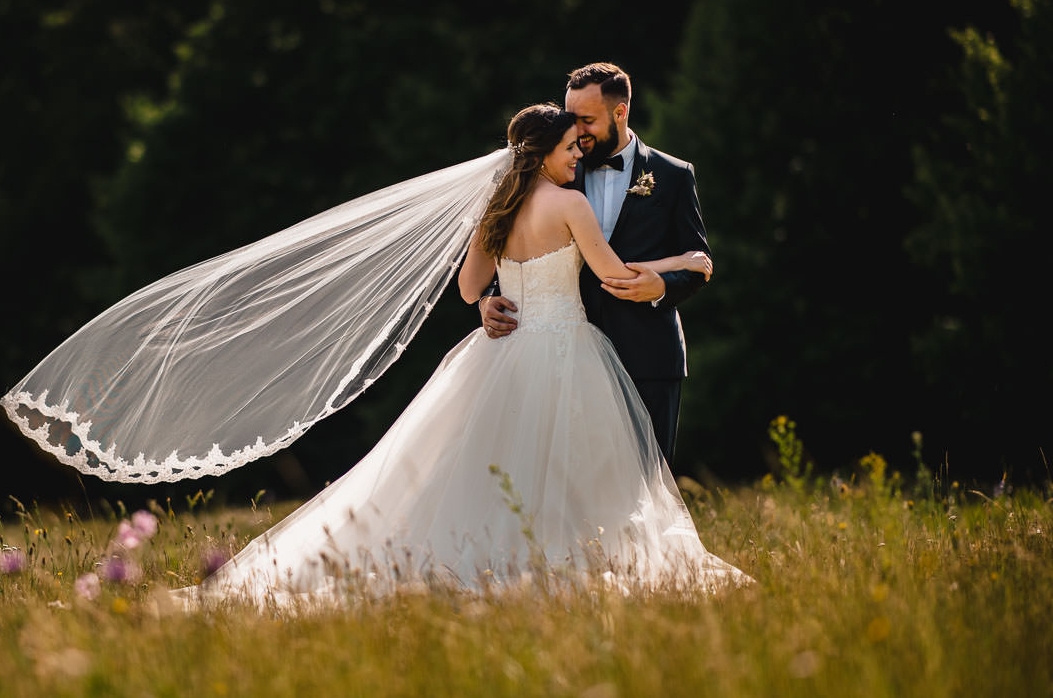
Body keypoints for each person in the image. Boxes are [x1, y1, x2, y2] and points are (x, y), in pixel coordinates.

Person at [174, 104, 747, 606]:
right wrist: (685, 265)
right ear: (545, 151)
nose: (578, 156)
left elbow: (472, 289)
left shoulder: (496, 208)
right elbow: (614, 276)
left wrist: (504, 295)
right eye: (570, 147)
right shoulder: (571, 204)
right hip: (564, 349)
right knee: (568, 470)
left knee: (483, 465)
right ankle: (559, 563)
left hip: (503, 351)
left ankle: (492, 557)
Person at [481, 63, 708, 466]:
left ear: (620, 113)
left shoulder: (673, 176)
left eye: (586, 120)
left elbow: (695, 259)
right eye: (571, 120)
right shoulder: (557, 169)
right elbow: (522, 244)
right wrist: (492, 298)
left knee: (649, 482)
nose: (578, 133)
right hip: (564, 358)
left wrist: (662, 288)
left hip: (648, 353)